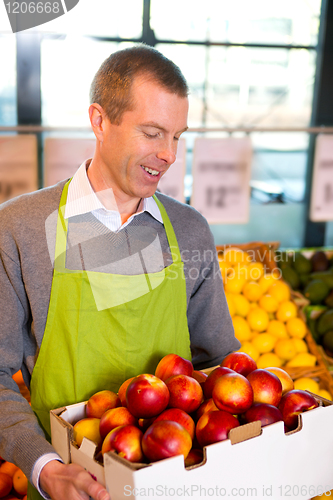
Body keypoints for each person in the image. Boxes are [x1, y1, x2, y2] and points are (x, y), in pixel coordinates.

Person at [0, 45, 239, 500]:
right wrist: (45, 468)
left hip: (179, 478)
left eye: (177, 136)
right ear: (100, 120)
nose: (168, 154)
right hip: (69, 483)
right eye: (152, 132)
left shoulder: (189, 231)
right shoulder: (20, 229)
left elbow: (219, 364)